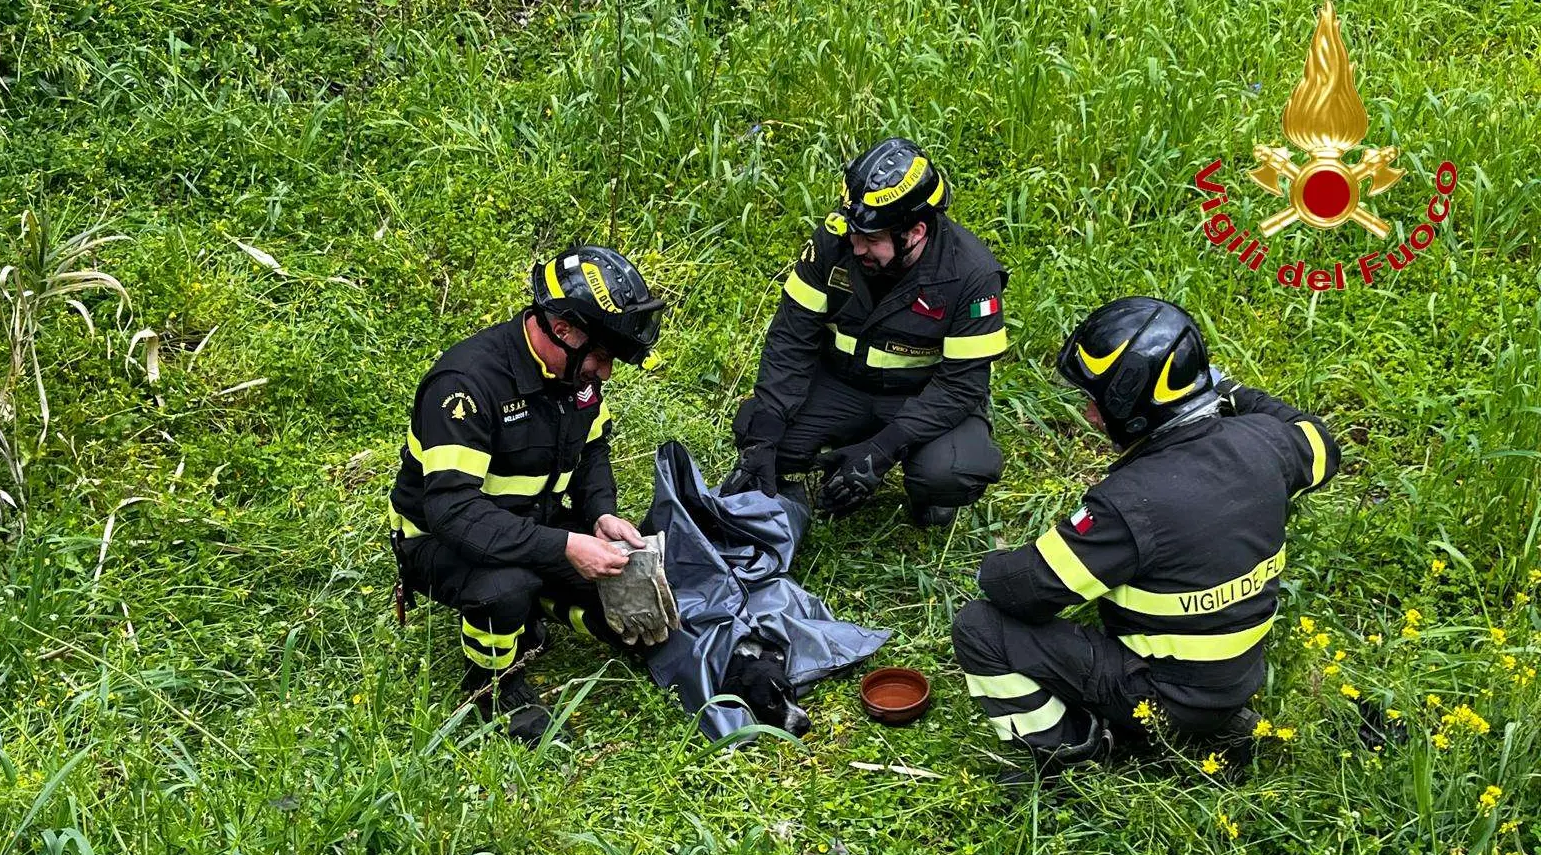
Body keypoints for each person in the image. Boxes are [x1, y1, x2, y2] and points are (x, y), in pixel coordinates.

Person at [951, 296, 1340, 780]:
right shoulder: (1270, 443)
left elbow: (1028, 589)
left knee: (979, 627)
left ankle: (1074, 749)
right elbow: (1317, 435)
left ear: (1129, 406)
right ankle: (1215, 725)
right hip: (1238, 677)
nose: (1090, 414)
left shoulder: (1129, 502)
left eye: (1095, 400)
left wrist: (988, 566)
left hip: (1160, 695)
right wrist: (1224, 387)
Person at [388, 245, 667, 745]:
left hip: (530, 518)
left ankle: (540, 612)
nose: (603, 372)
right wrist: (563, 547)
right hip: (438, 536)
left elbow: (592, 451)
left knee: (621, 581)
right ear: (563, 330)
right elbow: (452, 510)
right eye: (601, 356)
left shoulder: (572, 374)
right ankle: (492, 685)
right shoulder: (466, 385)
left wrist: (600, 515)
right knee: (506, 587)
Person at [720, 138, 1008, 527]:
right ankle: (804, 476)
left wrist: (881, 452)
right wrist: (764, 436)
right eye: (855, 234)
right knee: (760, 429)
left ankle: (927, 491)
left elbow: (960, 387)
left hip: (922, 396)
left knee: (951, 471)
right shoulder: (832, 242)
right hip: (841, 384)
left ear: (916, 232)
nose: (856, 248)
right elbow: (791, 337)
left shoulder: (973, 276)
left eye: (872, 240)